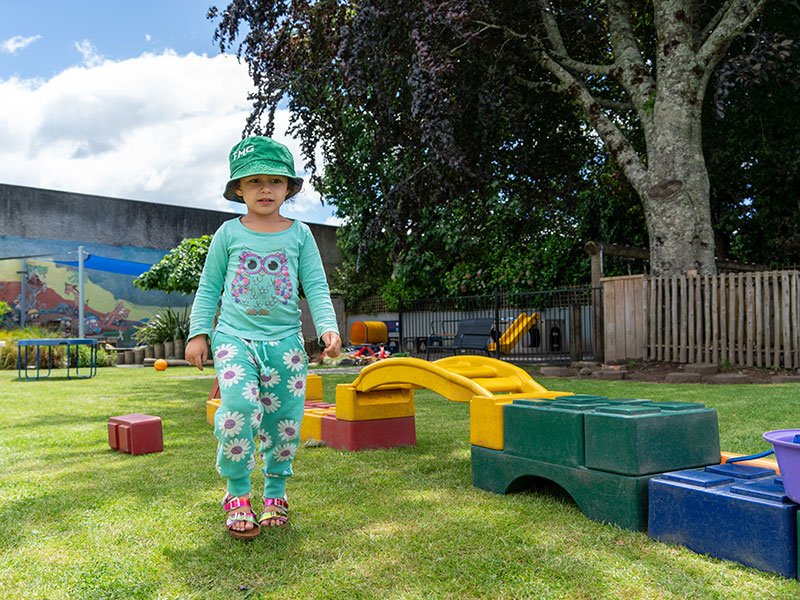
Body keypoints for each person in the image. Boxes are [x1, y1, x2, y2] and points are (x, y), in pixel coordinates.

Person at [185, 136, 342, 539]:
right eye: (255, 181)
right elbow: (209, 287)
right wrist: (199, 332)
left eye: (275, 180)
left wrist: (328, 326)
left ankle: (275, 492)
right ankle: (237, 492)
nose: (266, 189)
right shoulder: (227, 234)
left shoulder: (300, 234)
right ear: (239, 188)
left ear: (289, 188)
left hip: (286, 343)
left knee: (284, 422)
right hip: (234, 337)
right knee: (237, 408)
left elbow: (316, 286)